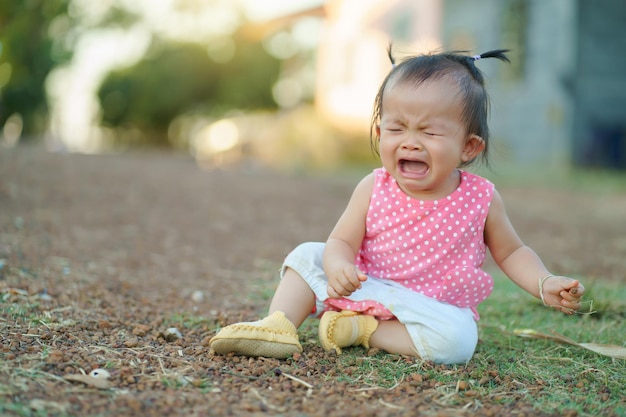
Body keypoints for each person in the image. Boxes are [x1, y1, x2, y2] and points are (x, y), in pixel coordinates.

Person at [209, 48, 585, 364]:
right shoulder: (374, 185)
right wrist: (339, 265)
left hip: (429, 307)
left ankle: (361, 330)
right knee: (309, 254)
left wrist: (543, 282)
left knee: (458, 341)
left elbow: (512, 251)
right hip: (365, 286)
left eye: (430, 132)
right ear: (378, 133)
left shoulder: (481, 197)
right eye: (396, 128)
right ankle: (277, 325)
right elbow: (341, 241)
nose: (410, 142)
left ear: (468, 147)